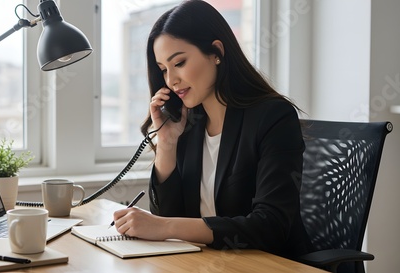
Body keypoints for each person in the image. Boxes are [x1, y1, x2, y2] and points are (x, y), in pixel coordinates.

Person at [112, 0, 313, 260]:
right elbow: (168, 215)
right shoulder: (189, 122)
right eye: (163, 70)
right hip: (210, 262)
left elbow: (271, 225)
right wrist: (167, 143)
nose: (171, 81)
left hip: (268, 264)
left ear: (216, 51)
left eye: (180, 63)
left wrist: (164, 226)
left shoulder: (273, 117)